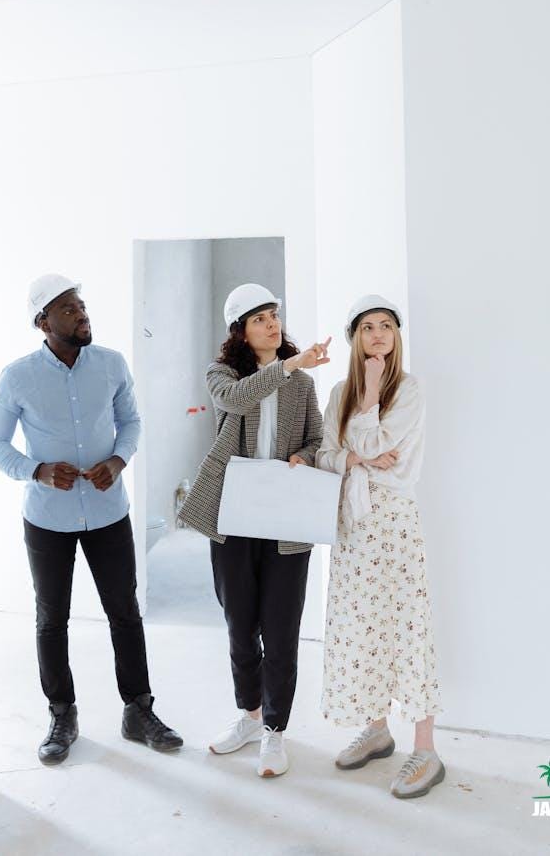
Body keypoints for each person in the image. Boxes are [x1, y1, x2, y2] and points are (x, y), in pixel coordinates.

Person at [0, 273, 183, 764]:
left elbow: (131, 422)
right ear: (43, 322)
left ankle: (138, 710)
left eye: (82, 306)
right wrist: (37, 470)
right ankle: (61, 715)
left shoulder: (112, 364)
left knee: (125, 612)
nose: (82, 315)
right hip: (47, 519)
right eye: (68, 309)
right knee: (51, 619)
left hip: (108, 513)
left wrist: (117, 460)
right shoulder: (17, 376)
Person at [179, 283, 328, 778]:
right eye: (260, 318)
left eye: (274, 316)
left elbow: (316, 437)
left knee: (281, 631)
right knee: (240, 626)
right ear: (240, 331)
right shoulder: (222, 374)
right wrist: (288, 365)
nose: (272, 325)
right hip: (234, 518)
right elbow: (237, 400)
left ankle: (274, 731)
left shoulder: (301, 384)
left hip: (286, 519)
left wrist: (304, 456)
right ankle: (250, 715)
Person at [316, 294, 443, 799]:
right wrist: (356, 457)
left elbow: (371, 446)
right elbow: (327, 455)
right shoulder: (338, 393)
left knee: (407, 626)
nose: (378, 335)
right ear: (355, 337)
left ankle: (426, 749)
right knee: (360, 626)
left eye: (386, 325)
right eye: (368, 327)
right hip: (352, 525)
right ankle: (376, 729)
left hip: (394, 523)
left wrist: (369, 397)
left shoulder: (409, 390)